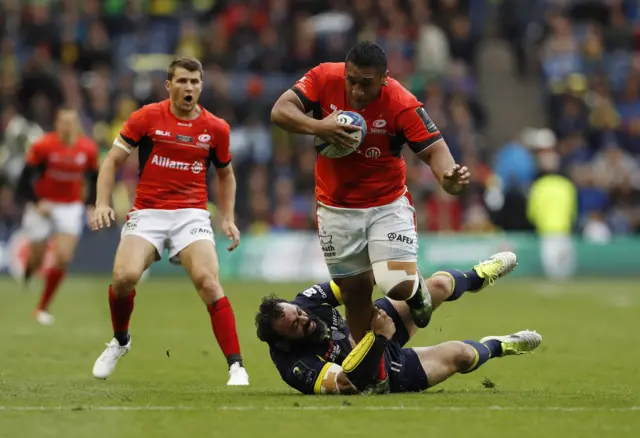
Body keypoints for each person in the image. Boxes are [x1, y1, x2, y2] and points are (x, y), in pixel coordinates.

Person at [270, 41, 471, 348]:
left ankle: (416, 290)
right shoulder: (324, 77)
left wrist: (450, 178)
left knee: (397, 286)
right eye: (351, 81)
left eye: (366, 84)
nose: (357, 90)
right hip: (335, 208)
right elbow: (280, 110)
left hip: (386, 205)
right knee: (355, 294)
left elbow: (436, 152)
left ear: (384, 78)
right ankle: (369, 367)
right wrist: (319, 126)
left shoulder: (401, 102)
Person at [89, 57, 249, 386]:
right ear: (168, 85)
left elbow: (226, 174)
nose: (188, 87)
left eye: (194, 81)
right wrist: (102, 203)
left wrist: (229, 217)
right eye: (181, 81)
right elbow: (111, 162)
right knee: (124, 278)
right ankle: (120, 342)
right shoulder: (146, 117)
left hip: (190, 214)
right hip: (147, 212)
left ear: (201, 86)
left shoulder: (216, 128)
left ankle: (236, 366)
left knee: (207, 281)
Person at [255, 252, 540, 395]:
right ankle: (502, 345)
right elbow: (346, 382)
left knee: (437, 285)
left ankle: (479, 275)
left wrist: (391, 279)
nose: (305, 319)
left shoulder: (305, 302)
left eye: (299, 314)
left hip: (371, 325)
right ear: (283, 341)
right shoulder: (294, 366)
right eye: (296, 326)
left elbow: (354, 286)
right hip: (384, 373)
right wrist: (378, 339)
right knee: (461, 355)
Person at [14, 107, 99, 326]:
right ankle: (28, 274)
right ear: (57, 124)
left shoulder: (87, 149)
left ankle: (42, 307)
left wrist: (91, 205)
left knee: (63, 257)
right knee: (37, 258)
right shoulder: (43, 146)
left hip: (70, 207)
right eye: (63, 121)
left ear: (76, 124)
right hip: (43, 205)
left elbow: (94, 178)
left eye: (71, 121)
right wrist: (37, 202)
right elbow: (24, 180)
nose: (67, 126)